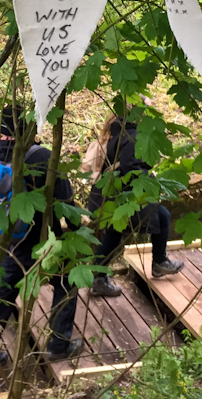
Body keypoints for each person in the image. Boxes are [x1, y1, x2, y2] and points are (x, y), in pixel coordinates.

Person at [0, 107, 82, 368]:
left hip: (1, 239)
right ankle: (58, 344)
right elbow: (65, 198)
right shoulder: (42, 157)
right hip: (39, 240)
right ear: (29, 130)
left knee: (2, 293)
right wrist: (76, 228)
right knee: (67, 279)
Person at [85, 112, 184, 298]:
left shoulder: (120, 133)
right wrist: (148, 185)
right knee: (160, 218)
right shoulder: (133, 137)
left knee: (115, 234)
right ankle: (158, 263)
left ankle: (101, 278)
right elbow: (131, 167)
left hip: (114, 192)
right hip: (126, 193)